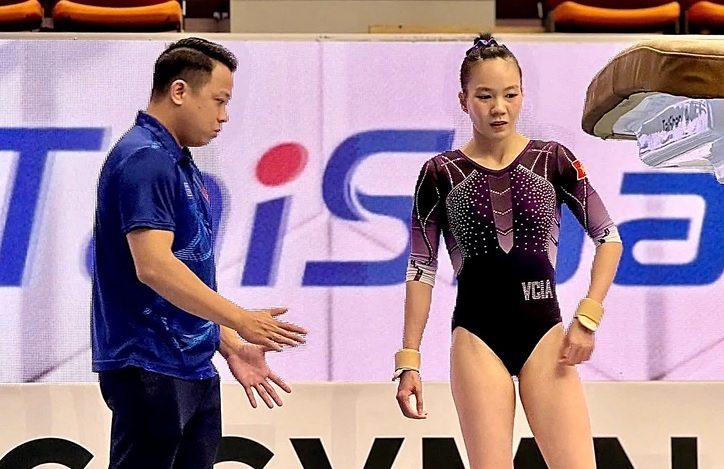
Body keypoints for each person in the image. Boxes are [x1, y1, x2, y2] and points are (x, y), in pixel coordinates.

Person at [394, 33, 624, 469]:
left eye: (510, 94)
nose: (498, 107)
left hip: (545, 334)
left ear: (522, 95)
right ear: (463, 101)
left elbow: (608, 238)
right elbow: (421, 268)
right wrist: (409, 360)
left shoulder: (553, 159)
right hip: (477, 337)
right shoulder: (440, 172)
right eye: (484, 96)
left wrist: (588, 317)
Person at [91, 37, 307, 469]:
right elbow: (154, 267)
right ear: (179, 91)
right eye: (219, 101)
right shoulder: (145, 158)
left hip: (190, 362)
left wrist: (228, 344)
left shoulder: (176, 160)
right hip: (151, 362)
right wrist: (240, 319)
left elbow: (183, 271)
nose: (224, 116)